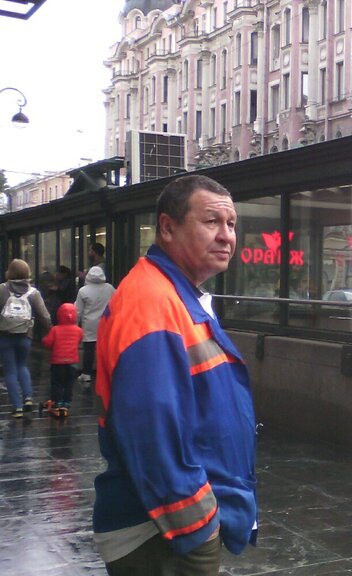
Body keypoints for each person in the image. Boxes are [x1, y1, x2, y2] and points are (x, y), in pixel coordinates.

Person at [93, 175, 257, 574]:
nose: (226, 236)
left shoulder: (173, 292)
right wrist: (198, 529)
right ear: (167, 227)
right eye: (211, 222)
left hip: (166, 525)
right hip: (162, 532)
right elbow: (152, 433)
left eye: (231, 224)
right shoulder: (153, 303)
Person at [0, 258, 52, 418]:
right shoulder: (33, 293)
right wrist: (50, 330)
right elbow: (44, 316)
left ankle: (17, 407)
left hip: (5, 336)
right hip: (26, 336)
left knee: (10, 370)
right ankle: (28, 397)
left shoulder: (2, 289)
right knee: (22, 365)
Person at [75, 265, 116, 391]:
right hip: (106, 322)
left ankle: (86, 373)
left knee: (89, 349)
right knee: (106, 348)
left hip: (90, 323)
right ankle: (107, 371)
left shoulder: (83, 291)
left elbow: (78, 311)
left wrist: (75, 324)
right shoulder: (110, 289)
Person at [41, 302, 83, 418]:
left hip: (57, 362)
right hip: (72, 362)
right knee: (69, 383)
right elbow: (78, 341)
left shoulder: (55, 330)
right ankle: (67, 402)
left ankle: (57, 401)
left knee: (57, 383)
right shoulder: (78, 330)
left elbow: (48, 343)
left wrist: (44, 339)